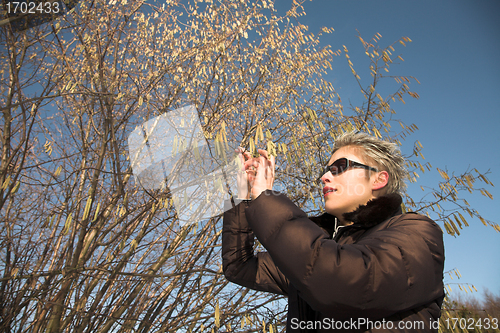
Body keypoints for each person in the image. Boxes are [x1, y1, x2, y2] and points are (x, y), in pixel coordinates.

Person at [222, 132, 445, 332]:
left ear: (379, 179)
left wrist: (267, 198)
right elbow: (239, 266)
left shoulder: (419, 234)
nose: (325, 176)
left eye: (340, 167)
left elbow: (350, 282)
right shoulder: (321, 246)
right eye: (327, 170)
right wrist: (244, 196)